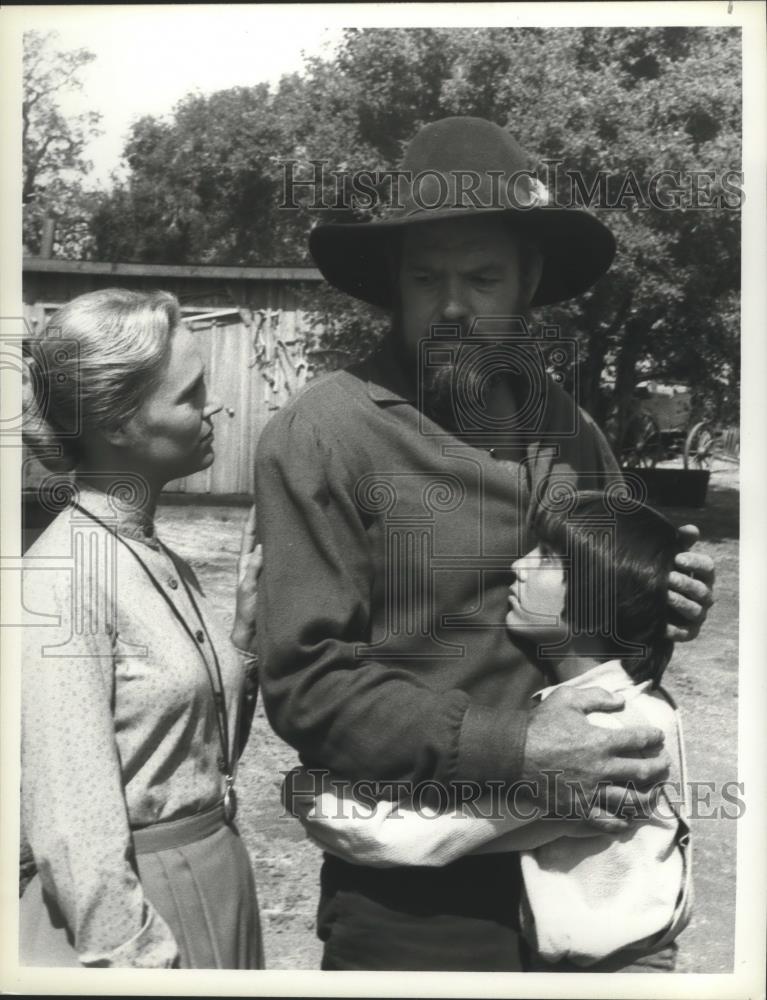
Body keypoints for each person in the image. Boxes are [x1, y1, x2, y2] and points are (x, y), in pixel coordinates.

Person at [254, 116, 714, 971]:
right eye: (426, 277)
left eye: (482, 276)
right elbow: (307, 683)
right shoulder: (323, 433)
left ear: (529, 282)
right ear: (392, 282)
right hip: (418, 888)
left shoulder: (568, 426)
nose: (454, 305)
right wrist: (519, 749)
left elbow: (606, 630)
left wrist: (659, 594)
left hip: (591, 871)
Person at [287, 491, 693, 973]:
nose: (518, 566)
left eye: (545, 557)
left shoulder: (605, 734)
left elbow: (418, 837)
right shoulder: (635, 699)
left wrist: (315, 800)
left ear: (595, 592)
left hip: (616, 974)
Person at [20, 288, 263, 968]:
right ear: (119, 424)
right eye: (190, 396)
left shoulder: (149, 551)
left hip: (211, 883)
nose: (216, 407)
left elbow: (196, 756)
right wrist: (140, 962)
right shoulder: (64, 578)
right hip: (147, 913)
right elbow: (72, 832)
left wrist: (241, 639)